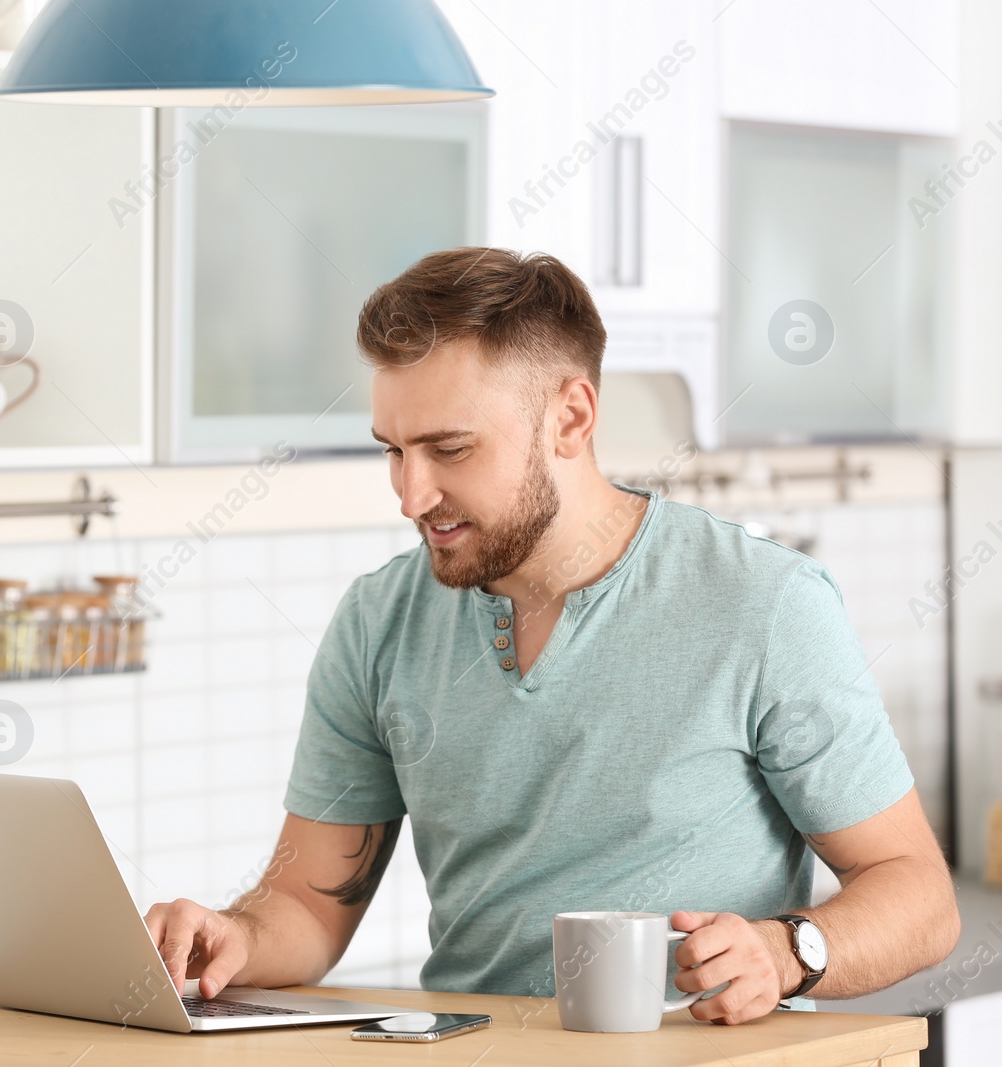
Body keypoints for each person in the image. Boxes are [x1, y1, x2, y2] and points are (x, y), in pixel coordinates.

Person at [143, 247, 960, 1026]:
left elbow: (919, 896)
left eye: (449, 449)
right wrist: (237, 936)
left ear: (570, 417)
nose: (411, 494)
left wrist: (787, 952)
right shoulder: (378, 621)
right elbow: (309, 904)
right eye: (393, 452)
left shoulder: (764, 604)